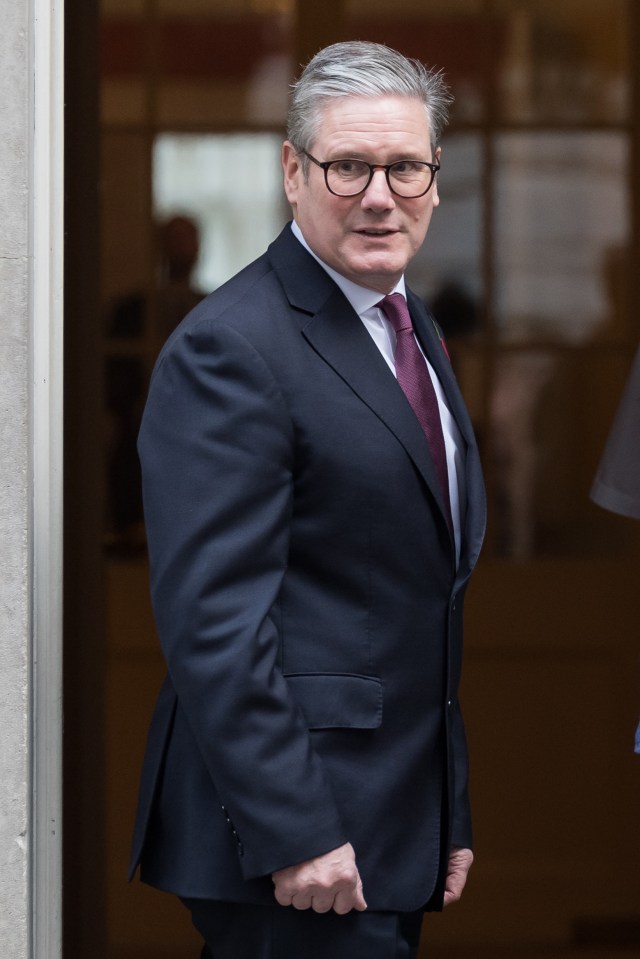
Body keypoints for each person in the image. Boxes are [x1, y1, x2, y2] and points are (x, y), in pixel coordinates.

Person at [129, 40, 486, 959]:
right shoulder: (233, 349)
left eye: (405, 166)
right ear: (293, 171)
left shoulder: (410, 325)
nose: (380, 194)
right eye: (348, 167)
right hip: (297, 846)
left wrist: (445, 807)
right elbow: (214, 623)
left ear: (435, 179)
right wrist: (295, 830)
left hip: (388, 823)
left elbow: (411, 600)